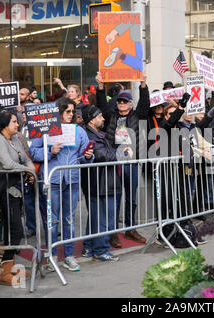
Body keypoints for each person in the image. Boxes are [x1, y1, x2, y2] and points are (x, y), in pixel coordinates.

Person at [29, 97, 94, 272]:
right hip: (52, 180)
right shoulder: (45, 129)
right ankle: (51, 256)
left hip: (72, 180)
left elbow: (83, 155)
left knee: (69, 219)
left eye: (73, 112)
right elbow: (33, 152)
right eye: (68, 111)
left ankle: (69, 256)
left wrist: (88, 156)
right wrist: (49, 151)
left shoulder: (79, 130)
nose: (71, 115)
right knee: (52, 220)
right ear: (58, 112)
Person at [96, 71, 150, 244]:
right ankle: (113, 231)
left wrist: (142, 85)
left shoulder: (136, 115)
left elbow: (145, 105)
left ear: (130, 104)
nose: (121, 103)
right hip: (115, 162)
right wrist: (100, 86)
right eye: (119, 100)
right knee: (115, 197)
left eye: (124, 101)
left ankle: (130, 229)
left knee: (131, 198)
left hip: (131, 162)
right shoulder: (111, 115)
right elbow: (102, 104)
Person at [0, 110, 35, 286]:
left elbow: (26, 159)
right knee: (15, 229)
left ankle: (8, 265)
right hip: (5, 190)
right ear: (5, 123)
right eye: (14, 122)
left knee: (13, 229)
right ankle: (5, 272)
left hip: (17, 189)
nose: (18, 125)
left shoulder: (15, 139)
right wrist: (26, 170)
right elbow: (7, 164)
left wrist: (30, 169)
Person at [80, 105, 129, 262]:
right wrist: (122, 153)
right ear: (92, 120)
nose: (103, 118)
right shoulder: (90, 136)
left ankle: (89, 246)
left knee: (95, 217)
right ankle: (100, 250)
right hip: (101, 183)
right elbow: (103, 156)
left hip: (100, 182)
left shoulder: (96, 134)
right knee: (103, 218)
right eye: (100, 116)